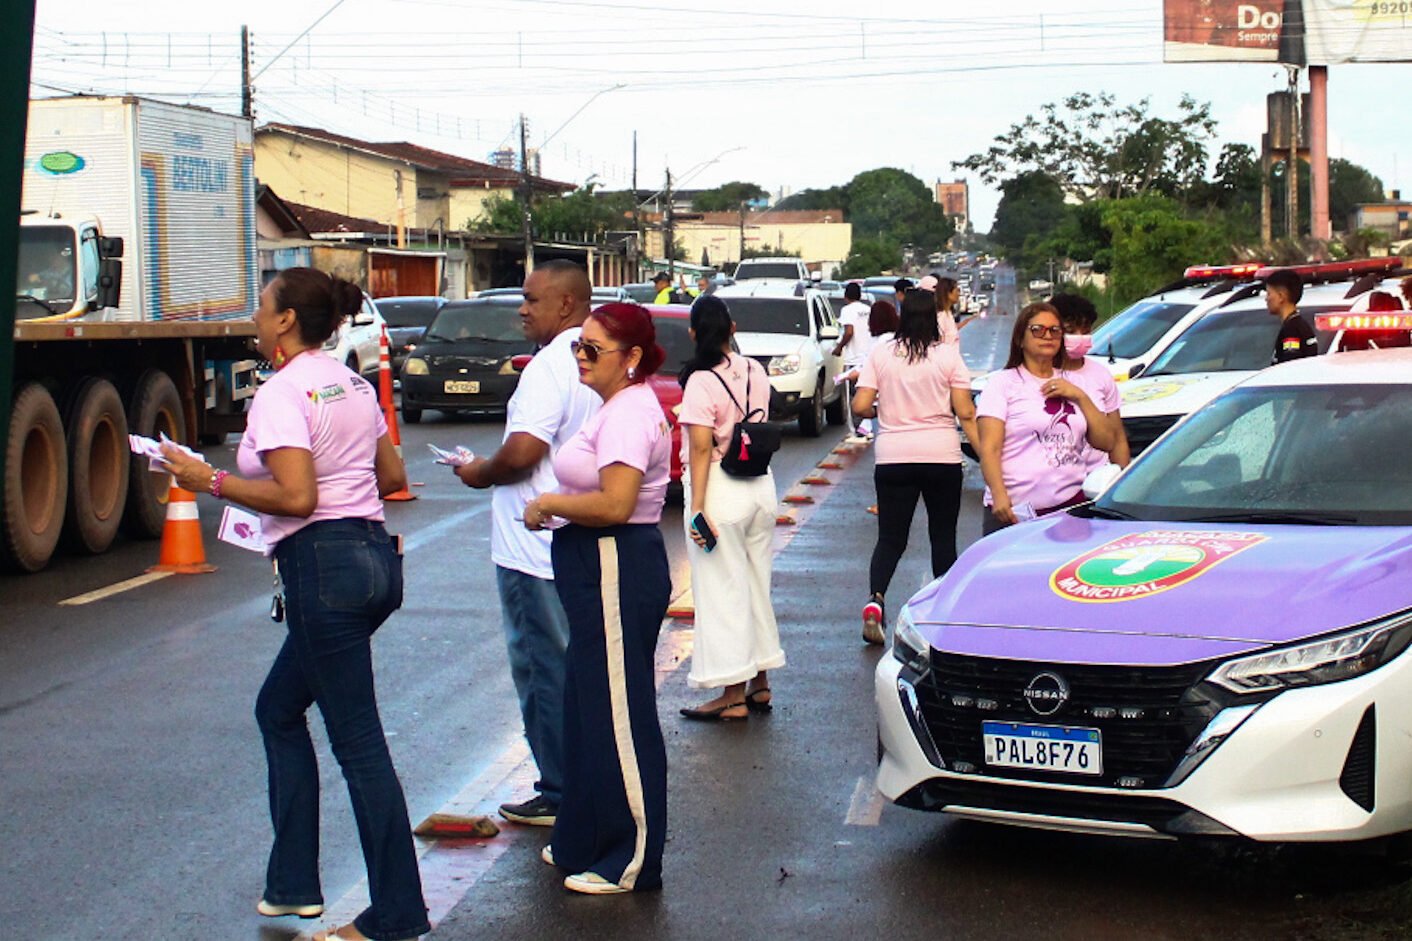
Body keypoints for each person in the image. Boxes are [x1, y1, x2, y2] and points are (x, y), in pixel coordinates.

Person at [160, 268, 428, 941]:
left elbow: (297, 497)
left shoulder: (282, 392)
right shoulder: (351, 383)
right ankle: (291, 887)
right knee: (277, 710)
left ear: (285, 321)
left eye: (262, 305)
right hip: (374, 561)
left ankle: (396, 914)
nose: (255, 314)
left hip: (323, 569)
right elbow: (392, 474)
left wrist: (207, 478)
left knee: (359, 744)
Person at [522, 302, 672, 895]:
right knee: (586, 708)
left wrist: (549, 504)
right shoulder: (613, 407)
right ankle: (582, 838)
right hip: (593, 563)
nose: (581, 357)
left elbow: (615, 503)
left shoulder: (631, 413)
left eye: (593, 349)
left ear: (631, 357)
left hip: (615, 560)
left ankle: (632, 858)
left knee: (618, 715)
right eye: (577, 346)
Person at [455, 259, 600, 828]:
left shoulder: (548, 367)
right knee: (573, 666)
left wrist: (478, 471)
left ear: (565, 304)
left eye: (532, 299)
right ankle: (581, 780)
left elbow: (522, 453)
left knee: (542, 667)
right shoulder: (593, 360)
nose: (521, 309)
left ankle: (559, 790)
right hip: (575, 537)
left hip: (532, 546)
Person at [675, 295, 784, 721]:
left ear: (693, 333)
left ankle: (732, 694)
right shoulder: (755, 368)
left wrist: (698, 507)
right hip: (761, 486)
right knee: (756, 584)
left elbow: (702, 447)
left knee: (722, 591)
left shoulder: (700, 381)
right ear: (732, 329)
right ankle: (760, 682)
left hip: (721, 489)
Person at [852, 289, 978, 644]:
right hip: (941, 456)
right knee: (942, 537)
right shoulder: (948, 356)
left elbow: (860, 405)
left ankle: (876, 600)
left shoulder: (882, 354)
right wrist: (986, 453)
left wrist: (881, 409)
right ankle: (943, 613)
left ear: (903, 316)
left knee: (890, 539)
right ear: (934, 319)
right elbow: (965, 411)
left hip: (893, 457)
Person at [976, 302, 1118, 537]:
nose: (1047, 336)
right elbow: (990, 448)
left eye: (1055, 330)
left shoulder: (1077, 382)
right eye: (1038, 330)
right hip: (1015, 511)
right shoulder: (1003, 383)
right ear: (1020, 339)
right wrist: (999, 495)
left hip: (1069, 506)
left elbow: (1107, 441)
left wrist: (1080, 396)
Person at [1048, 292, 1130, 468]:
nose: (1079, 337)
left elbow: (1117, 439)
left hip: (1095, 476)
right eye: (1070, 331)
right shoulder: (1038, 374)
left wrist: (1122, 477)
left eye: (1085, 331)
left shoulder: (1101, 375)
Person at [831, 282, 873, 437]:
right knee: (867, 395)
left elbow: (849, 332)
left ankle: (857, 431)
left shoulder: (847, 310)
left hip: (854, 360)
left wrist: (839, 347)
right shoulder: (868, 310)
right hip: (869, 359)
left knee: (854, 398)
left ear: (846, 296)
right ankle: (867, 428)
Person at [1265, 268, 1316, 364]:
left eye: (1269, 294)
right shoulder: (1299, 325)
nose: (1266, 299)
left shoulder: (1291, 330)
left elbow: (1290, 365)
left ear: (1281, 297)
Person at [917, 274, 961, 345]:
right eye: (957, 290)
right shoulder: (940, 316)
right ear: (948, 293)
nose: (959, 294)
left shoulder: (948, 314)